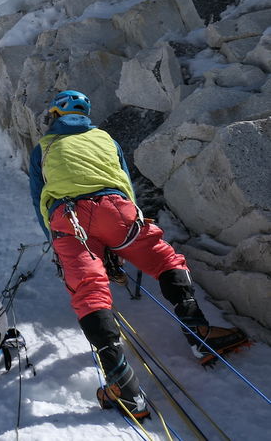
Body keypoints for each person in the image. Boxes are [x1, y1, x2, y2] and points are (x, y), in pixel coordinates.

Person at [29, 90, 247, 420]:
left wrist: (55, 242)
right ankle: (199, 335)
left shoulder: (43, 147)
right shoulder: (104, 138)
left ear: (55, 115)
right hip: (117, 210)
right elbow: (125, 183)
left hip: (68, 218)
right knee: (164, 260)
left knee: (89, 292)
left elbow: (37, 197)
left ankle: (123, 387)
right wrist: (126, 229)